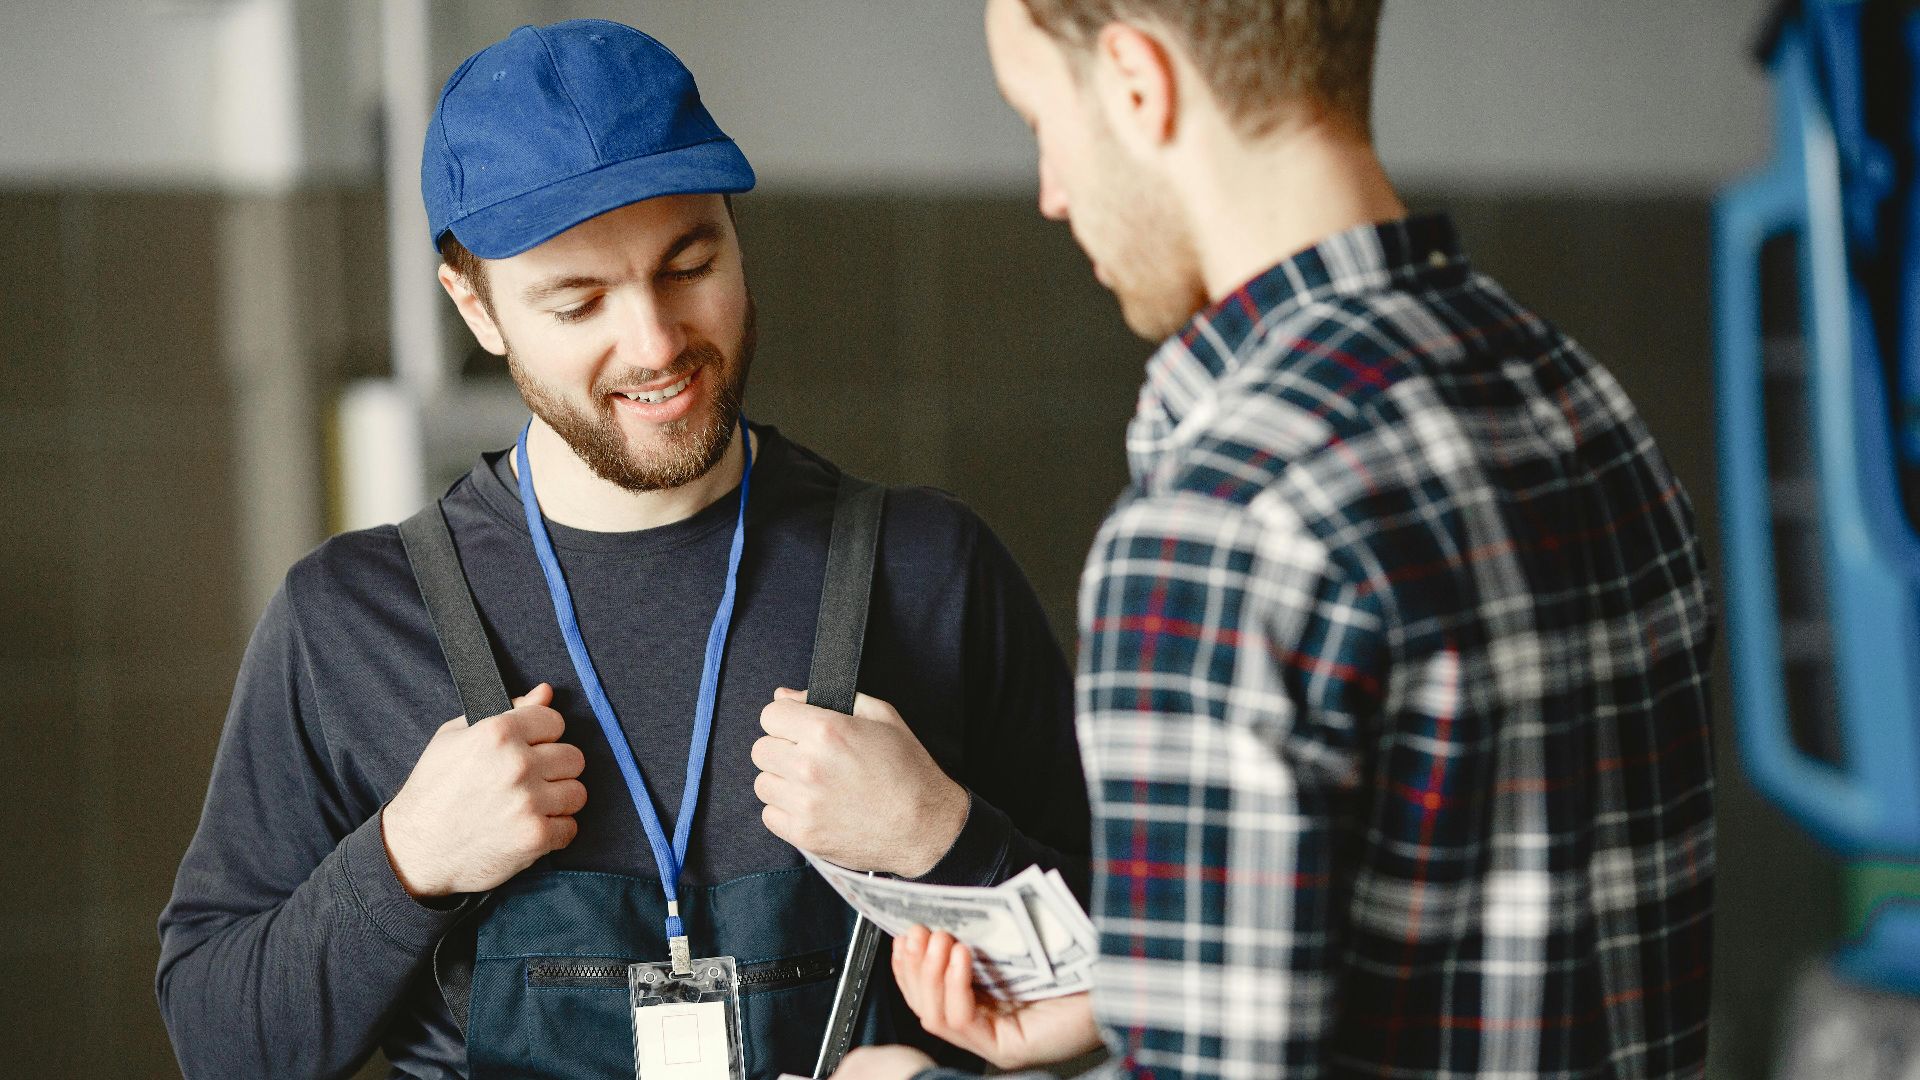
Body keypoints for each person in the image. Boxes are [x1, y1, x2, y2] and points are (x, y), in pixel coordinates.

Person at [155, 20, 1088, 1080]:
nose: (654, 344)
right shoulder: (350, 619)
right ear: (477, 306)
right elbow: (220, 1040)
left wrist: (949, 839)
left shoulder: (930, 570)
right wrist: (403, 862)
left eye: (690, 265)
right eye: (579, 301)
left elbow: (1161, 983)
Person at [835, 2, 1717, 1078]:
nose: (1051, 195)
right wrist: (1136, 995)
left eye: (1039, 125)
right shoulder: (1573, 398)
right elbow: (1481, 937)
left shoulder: (1225, 518)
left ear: (1136, 81)